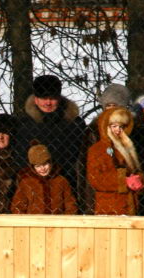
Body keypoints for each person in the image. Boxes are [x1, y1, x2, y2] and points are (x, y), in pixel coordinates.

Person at [16, 74, 87, 203]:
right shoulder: (24, 124)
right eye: (43, 98)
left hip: (67, 185)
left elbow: (80, 157)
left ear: (59, 99)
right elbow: (19, 159)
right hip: (33, 188)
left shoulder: (74, 123)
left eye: (52, 98)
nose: (48, 103)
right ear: (36, 99)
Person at [86, 107, 144, 215]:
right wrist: (123, 181)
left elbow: (138, 171)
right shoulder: (97, 149)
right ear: (106, 126)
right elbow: (95, 178)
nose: (118, 130)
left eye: (121, 126)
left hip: (130, 206)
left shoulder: (128, 148)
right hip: (109, 207)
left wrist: (140, 181)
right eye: (114, 126)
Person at [11, 142, 77, 215]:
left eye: (45, 164)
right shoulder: (26, 182)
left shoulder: (61, 181)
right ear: (32, 167)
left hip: (57, 223)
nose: (42, 169)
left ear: (50, 162)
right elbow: (17, 206)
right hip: (33, 223)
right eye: (38, 166)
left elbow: (71, 205)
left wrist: (64, 221)